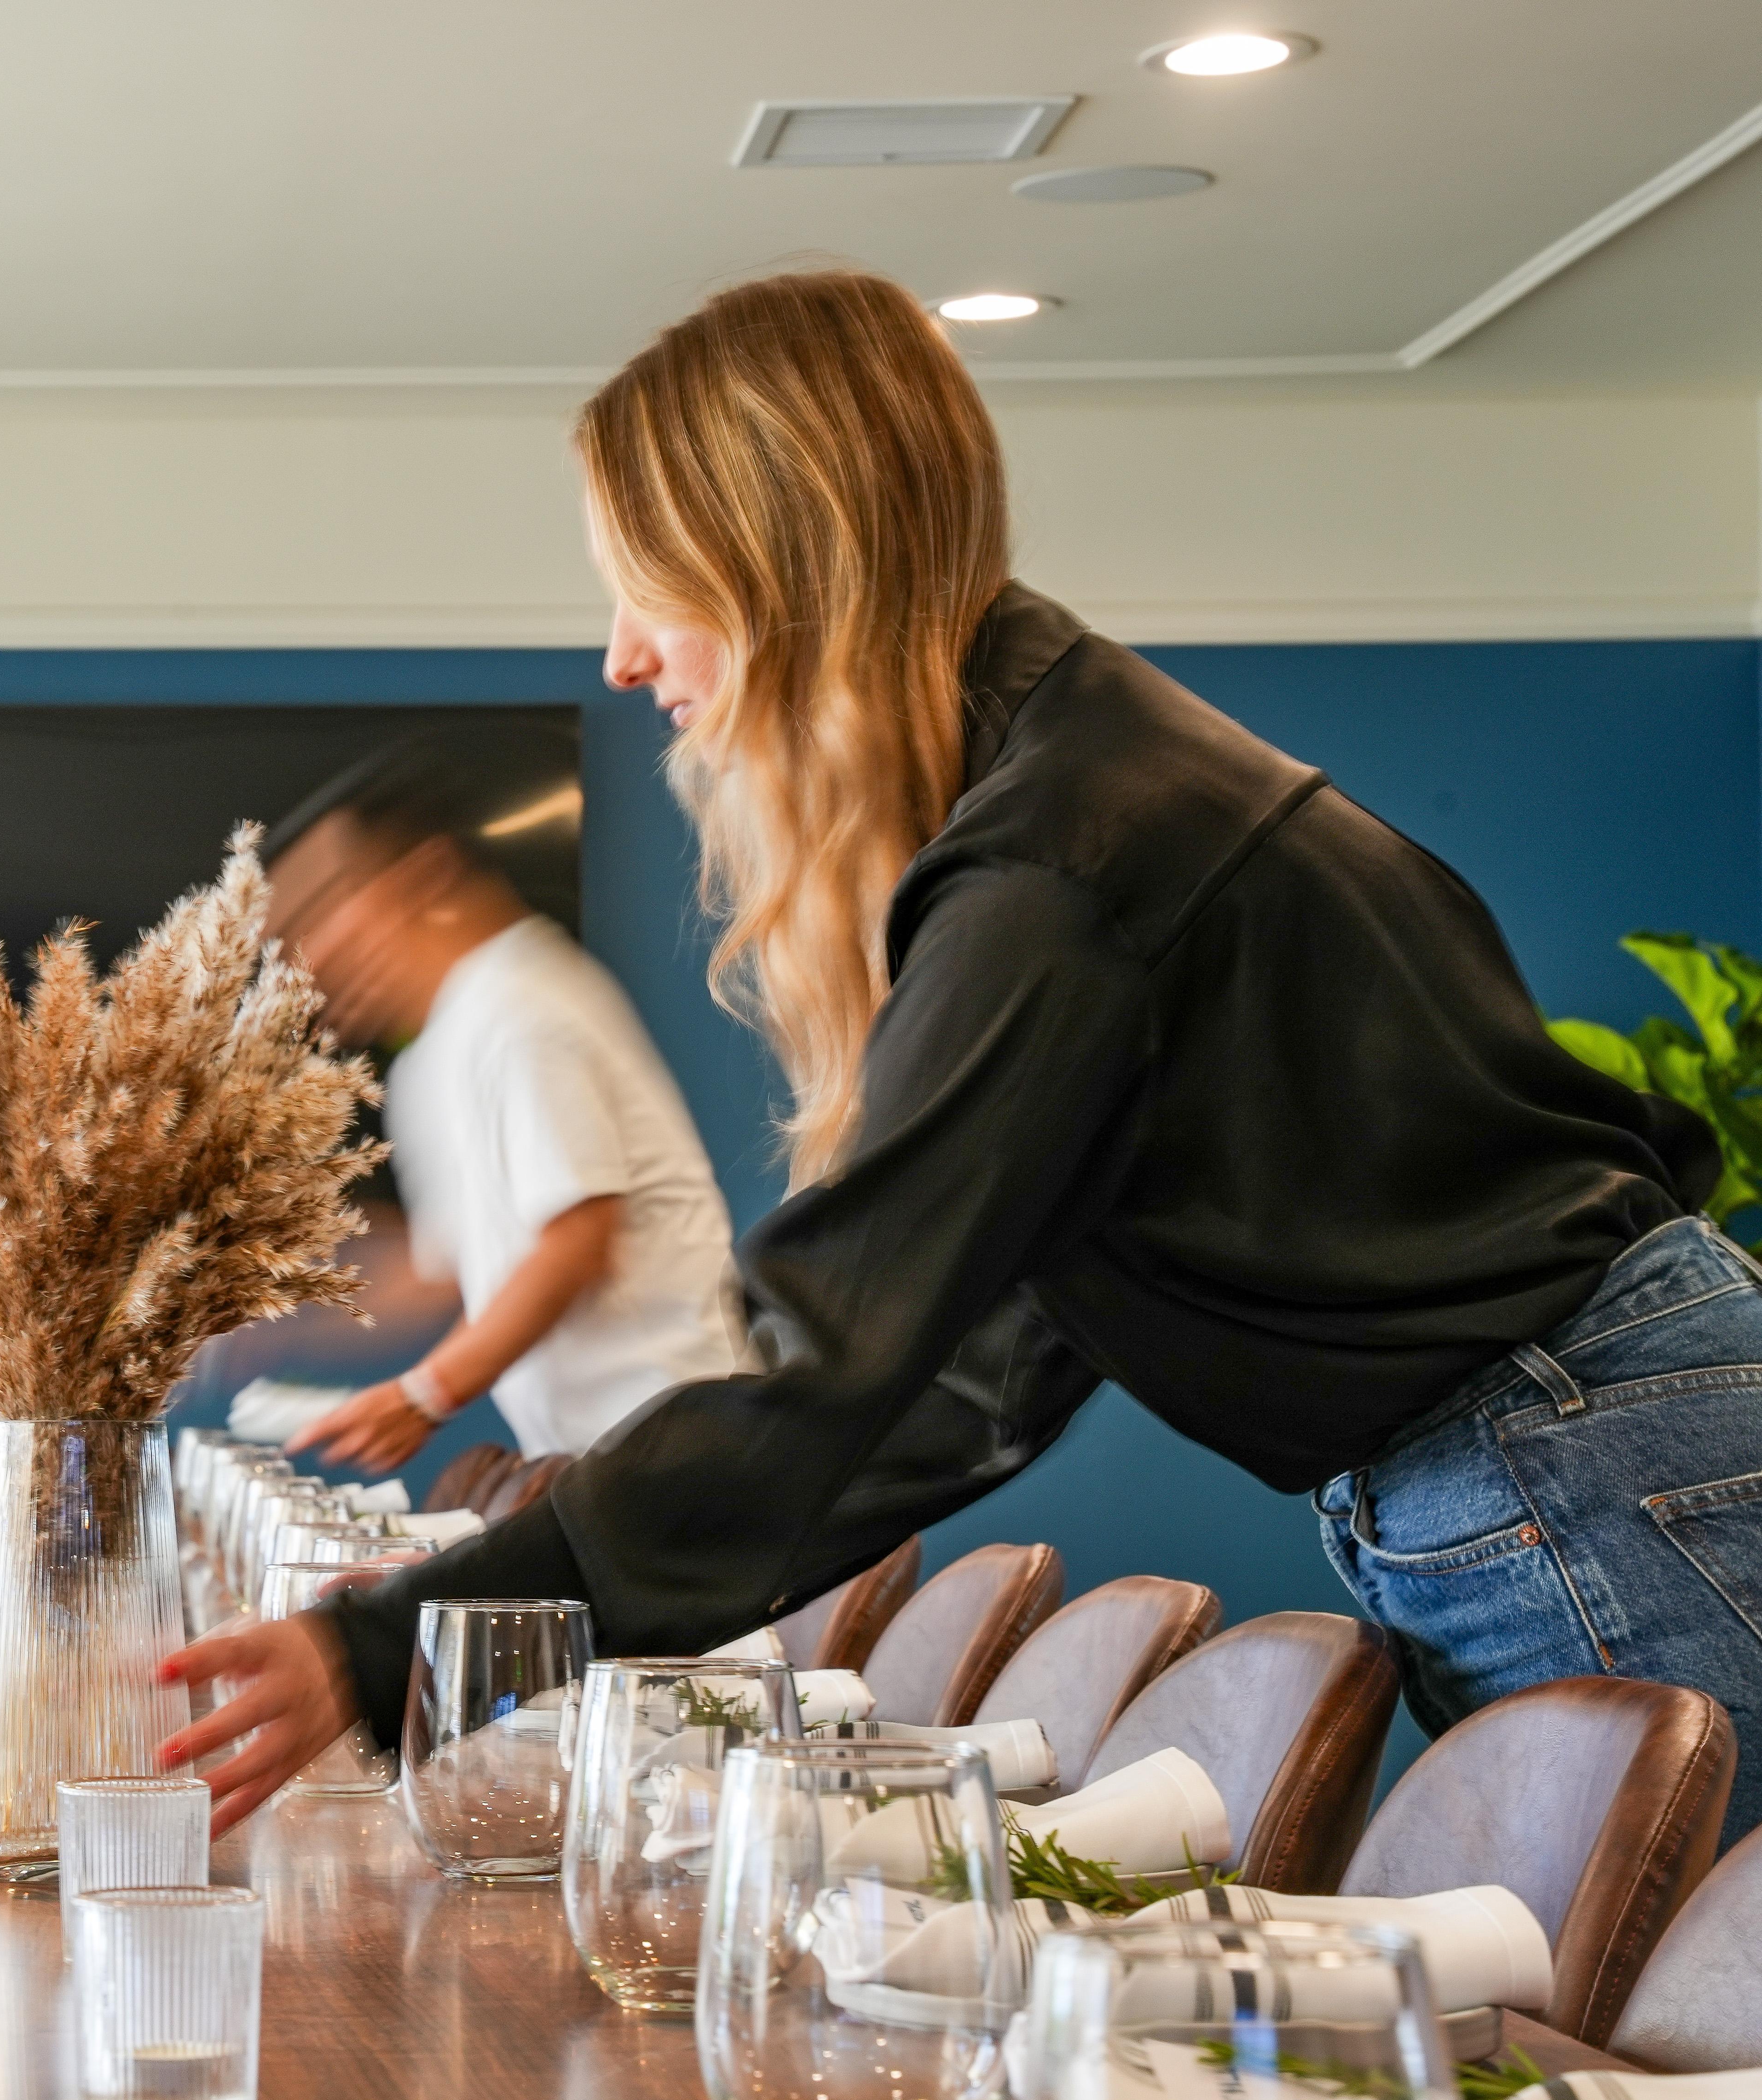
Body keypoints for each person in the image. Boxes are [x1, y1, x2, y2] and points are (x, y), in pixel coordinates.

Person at [163, 267, 1762, 1848]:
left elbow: (840, 1370)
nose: (622, 658)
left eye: (649, 589)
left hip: (1577, 1446)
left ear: (778, 564)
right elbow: (955, 1373)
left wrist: (384, 1645)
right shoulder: (1068, 776)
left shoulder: (1049, 868)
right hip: (1556, 1437)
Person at [260, 729, 752, 1472]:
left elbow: (577, 1240)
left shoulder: (524, 1006)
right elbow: (443, 1273)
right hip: (593, 1461)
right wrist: (268, 1306)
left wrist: (426, 1395)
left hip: (683, 1448)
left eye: (326, 910)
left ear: (425, 878)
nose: (311, 957)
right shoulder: (427, 1061)